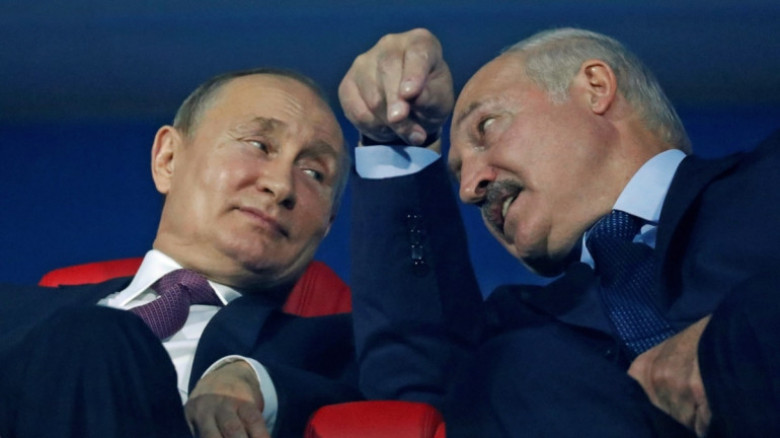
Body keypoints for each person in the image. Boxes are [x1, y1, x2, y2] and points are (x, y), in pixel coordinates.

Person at [340, 28, 780, 437]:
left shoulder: (766, 181)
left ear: (596, 87)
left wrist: (740, 335)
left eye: (486, 127)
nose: (470, 188)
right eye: (458, 174)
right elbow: (420, 396)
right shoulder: (515, 338)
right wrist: (398, 142)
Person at [0, 67, 359, 438]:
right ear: (168, 159)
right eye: (259, 145)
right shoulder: (15, 311)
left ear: (328, 223)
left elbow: (392, 377)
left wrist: (252, 377)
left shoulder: (336, 354)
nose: (281, 185)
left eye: (314, 173)